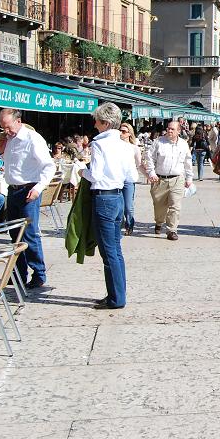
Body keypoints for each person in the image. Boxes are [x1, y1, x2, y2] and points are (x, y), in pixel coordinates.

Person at [81, 103, 137, 310]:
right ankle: (118, 293)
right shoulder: (125, 145)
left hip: (103, 198)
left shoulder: (99, 144)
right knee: (116, 249)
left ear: (105, 123)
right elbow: (132, 176)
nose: (94, 124)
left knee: (108, 252)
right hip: (117, 197)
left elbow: (94, 174)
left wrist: (81, 172)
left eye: (96, 120)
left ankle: (116, 298)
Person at [0, 108, 56, 289]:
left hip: (28, 190)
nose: (6, 131)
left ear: (18, 121)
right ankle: (18, 274)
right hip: (13, 190)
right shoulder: (9, 139)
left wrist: (39, 188)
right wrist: (1, 151)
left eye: (8, 127)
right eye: (2, 128)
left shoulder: (32, 139)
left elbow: (49, 166)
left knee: (29, 234)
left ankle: (38, 273)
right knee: (14, 234)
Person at [143, 120, 194, 241]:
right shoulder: (159, 142)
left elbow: (188, 161)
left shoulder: (183, 144)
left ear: (179, 131)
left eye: (172, 129)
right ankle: (159, 222)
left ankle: (172, 230)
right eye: (168, 128)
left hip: (177, 179)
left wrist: (189, 178)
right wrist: (151, 172)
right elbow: (149, 157)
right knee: (159, 206)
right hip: (160, 179)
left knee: (175, 206)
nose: (169, 131)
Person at [118, 122, 143, 236]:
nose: (121, 133)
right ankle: (119, 224)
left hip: (129, 180)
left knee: (128, 206)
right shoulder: (114, 146)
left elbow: (139, 164)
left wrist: (149, 175)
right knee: (119, 206)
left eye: (124, 131)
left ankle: (129, 225)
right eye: (120, 130)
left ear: (129, 134)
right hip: (116, 179)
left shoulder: (134, 148)